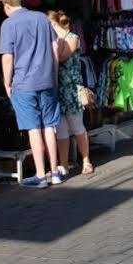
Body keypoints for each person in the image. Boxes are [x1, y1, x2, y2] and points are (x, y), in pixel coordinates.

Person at [0, 0, 62, 187]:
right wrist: (55, 75)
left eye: (3, 8)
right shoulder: (42, 19)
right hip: (47, 80)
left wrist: (6, 82)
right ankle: (55, 173)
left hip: (24, 84)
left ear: (7, 5)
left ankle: (41, 176)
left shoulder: (8, 24)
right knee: (49, 126)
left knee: (34, 129)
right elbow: (55, 49)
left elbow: (7, 57)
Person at [48, 11, 93, 175]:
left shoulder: (73, 37)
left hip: (71, 89)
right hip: (57, 90)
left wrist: (57, 39)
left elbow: (61, 57)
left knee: (77, 126)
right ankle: (64, 164)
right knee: (61, 129)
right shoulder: (53, 41)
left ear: (58, 24)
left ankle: (86, 160)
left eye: (51, 24)